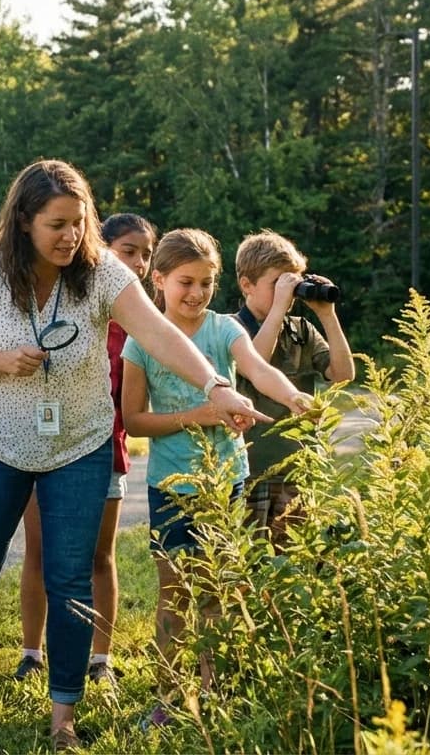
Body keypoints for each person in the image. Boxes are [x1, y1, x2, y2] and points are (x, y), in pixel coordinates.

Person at [0, 160, 279, 751]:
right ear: (24, 222)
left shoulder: (102, 272)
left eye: (78, 222)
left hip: (80, 444)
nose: (69, 236)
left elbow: (161, 334)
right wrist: (0, 362)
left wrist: (215, 384)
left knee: (70, 578)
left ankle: (64, 712)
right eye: (55, 224)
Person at [120, 228, 314, 726]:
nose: (196, 293)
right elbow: (136, 421)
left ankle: (215, 690)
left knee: (221, 591)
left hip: (228, 481)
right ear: (158, 279)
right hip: (172, 487)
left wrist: (293, 396)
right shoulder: (142, 342)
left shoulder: (225, 328)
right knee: (175, 592)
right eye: (185, 282)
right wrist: (201, 415)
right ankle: (166, 696)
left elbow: (258, 369)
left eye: (206, 282)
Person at [17, 212, 156, 685]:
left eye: (145, 254)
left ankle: (101, 659)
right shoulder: (73, 308)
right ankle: (32, 652)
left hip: (106, 455)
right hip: (45, 449)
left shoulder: (139, 326)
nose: (137, 263)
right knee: (39, 551)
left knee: (100, 558)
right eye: (128, 251)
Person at [232, 230, 355, 545]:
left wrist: (327, 315)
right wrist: (276, 310)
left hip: (297, 470)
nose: (288, 292)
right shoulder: (230, 329)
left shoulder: (301, 330)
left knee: (295, 564)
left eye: (293, 282)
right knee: (249, 562)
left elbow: (343, 373)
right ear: (247, 285)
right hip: (250, 472)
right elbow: (254, 362)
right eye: (278, 284)